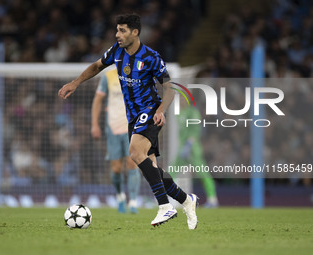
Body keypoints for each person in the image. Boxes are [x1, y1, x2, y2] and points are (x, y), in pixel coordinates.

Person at [58, 14, 198, 229]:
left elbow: (169, 86)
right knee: (150, 168)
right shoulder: (116, 51)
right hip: (133, 116)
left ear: (135, 32)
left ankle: (164, 206)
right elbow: (96, 66)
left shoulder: (151, 56)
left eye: (122, 30)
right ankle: (186, 200)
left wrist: (161, 110)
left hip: (150, 111)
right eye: (117, 30)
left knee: (134, 153)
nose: (117, 35)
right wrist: (75, 83)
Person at [91, 68, 141, 213]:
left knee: (132, 164)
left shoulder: (137, 75)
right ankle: (120, 197)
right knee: (116, 168)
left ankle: (132, 202)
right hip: (112, 128)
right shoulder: (109, 77)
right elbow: (98, 100)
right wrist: (94, 124)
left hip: (132, 128)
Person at [171, 97, 219, 208]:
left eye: (183, 99)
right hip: (182, 148)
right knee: (172, 171)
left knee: (203, 173)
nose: (181, 101)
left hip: (192, 149)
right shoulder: (179, 113)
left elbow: (195, 130)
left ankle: (213, 200)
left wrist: (189, 144)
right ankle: (165, 198)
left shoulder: (193, 112)